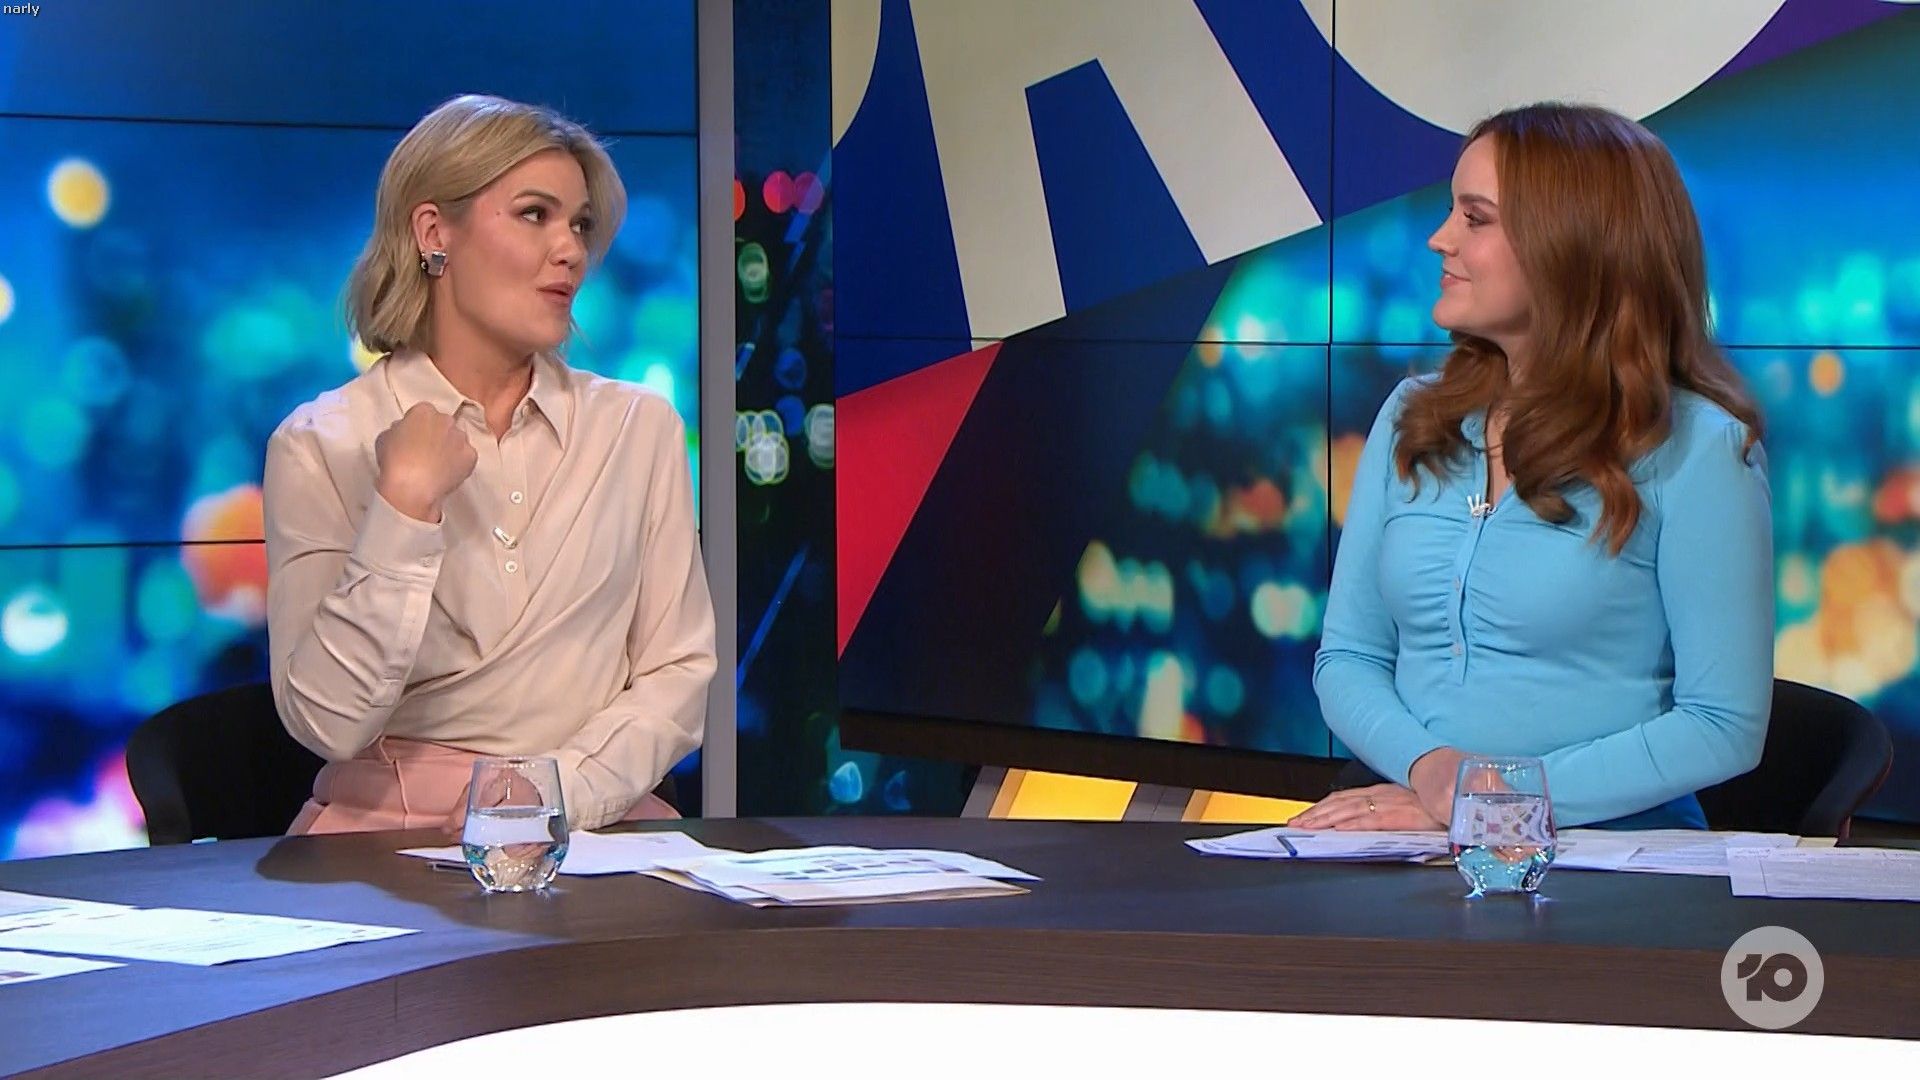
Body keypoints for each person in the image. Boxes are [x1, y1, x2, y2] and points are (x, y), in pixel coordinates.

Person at [1294, 103, 1772, 832]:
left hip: (1603, 860)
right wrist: (1435, 778)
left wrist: (1491, 802)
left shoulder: (1701, 451)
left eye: (1475, 218)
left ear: (1568, 245)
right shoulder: (1412, 416)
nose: (1440, 238)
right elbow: (1349, 657)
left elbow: (1722, 725)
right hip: (1411, 824)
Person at [264, 94, 714, 835]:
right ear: (434, 233)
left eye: (580, 225)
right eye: (535, 215)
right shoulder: (321, 443)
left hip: (592, 828)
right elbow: (327, 720)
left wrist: (551, 793)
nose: (570, 250)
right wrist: (403, 509)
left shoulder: (639, 429)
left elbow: (677, 673)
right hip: (385, 838)